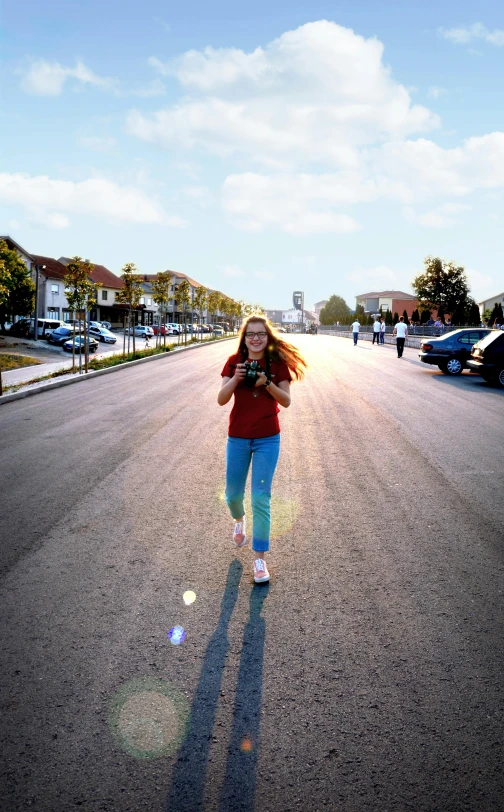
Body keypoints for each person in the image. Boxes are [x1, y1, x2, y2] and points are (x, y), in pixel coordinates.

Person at [218, 315, 307, 583]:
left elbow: (287, 401)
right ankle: (239, 519)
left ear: (267, 337)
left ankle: (260, 560)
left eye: (261, 334)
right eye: (250, 334)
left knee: (260, 497)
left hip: (268, 438)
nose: (255, 338)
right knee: (232, 494)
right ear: (243, 337)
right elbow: (221, 399)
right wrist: (236, 379)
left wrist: (266, 383)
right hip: (238, 437)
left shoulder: (277, 364)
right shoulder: (234, 362)